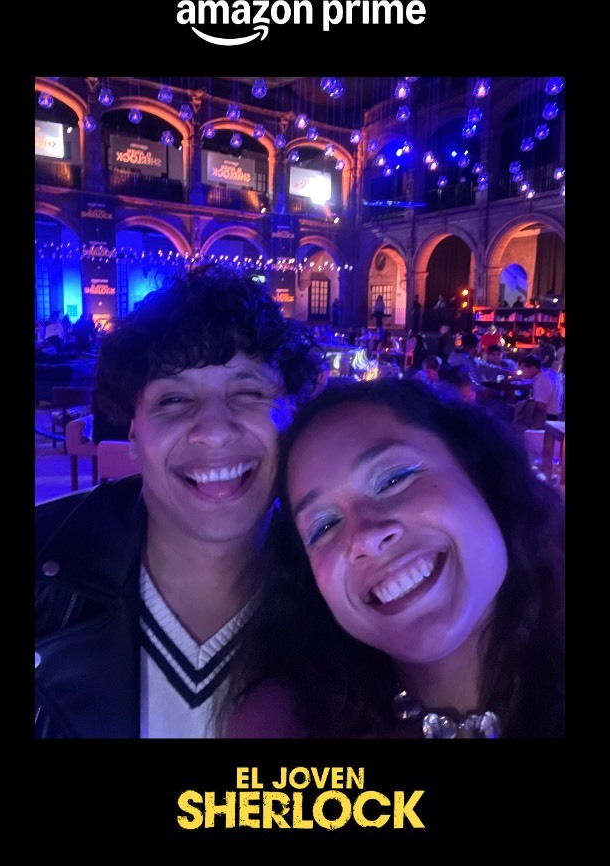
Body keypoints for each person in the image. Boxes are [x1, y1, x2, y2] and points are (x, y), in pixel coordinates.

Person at [35, 263, 324, 738]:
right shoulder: (44, 573)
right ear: (133, 433)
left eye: (248, 392)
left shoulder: (350, 595)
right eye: (173, 400)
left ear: (292, 415)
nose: (214, 431)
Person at [226, 378, 564, 739]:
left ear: (480, 475)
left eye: (393, 480)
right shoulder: (282, 725)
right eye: (323, 526)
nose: (365, 538)